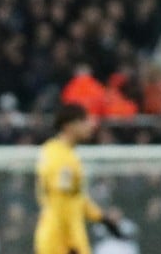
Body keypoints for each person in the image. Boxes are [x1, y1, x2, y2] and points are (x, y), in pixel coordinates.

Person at [35, 103, 122, 254]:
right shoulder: (61, 158)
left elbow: (75, 199)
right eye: (85, 121)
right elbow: (60, 202)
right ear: (70, 126)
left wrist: (103, 218)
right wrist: (72, 244)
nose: (90, 126)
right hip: (60, 242)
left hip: (58, 237)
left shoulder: (58, 152)